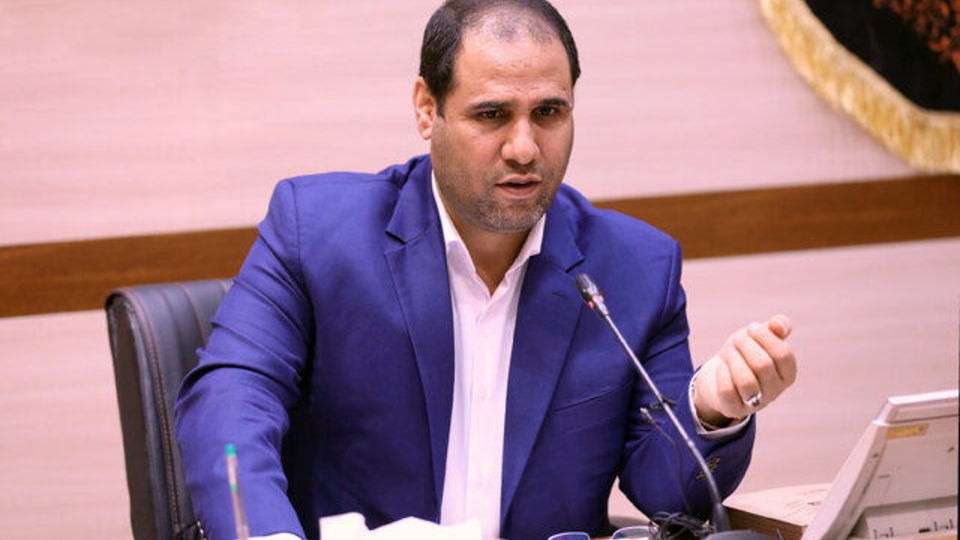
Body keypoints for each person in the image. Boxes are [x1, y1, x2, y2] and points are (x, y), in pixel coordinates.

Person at [174, 1, 798, 539]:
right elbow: (225, 406)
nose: (524, 148)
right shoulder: (318, 234)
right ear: (427, 109)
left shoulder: (634, 269)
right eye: (492, 115)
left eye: (548, 113)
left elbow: (666, 492)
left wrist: (711, 410)